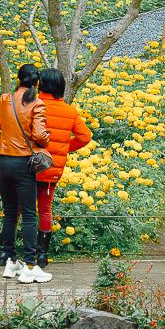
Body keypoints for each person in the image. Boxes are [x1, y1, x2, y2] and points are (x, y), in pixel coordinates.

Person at [0, 62, 52, 283]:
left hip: (3, 160)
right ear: (36, 81)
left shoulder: (5, 99)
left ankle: (9, 258)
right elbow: (40, 136)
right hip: (23, 162)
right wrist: (46, 138)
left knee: (10, 211)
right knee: (30, 214)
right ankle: (30, 264)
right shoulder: (37, 103)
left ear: (19, 79)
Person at [35, 68, 93, 270]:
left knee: (20, 209)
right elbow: (85, 137)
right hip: (51, 169)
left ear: (40, 85)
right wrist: (65, 147)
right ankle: (42, 254)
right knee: (45, 209)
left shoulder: (33, 106)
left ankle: (16, 251)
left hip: (27, 165)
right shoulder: (69, 111)